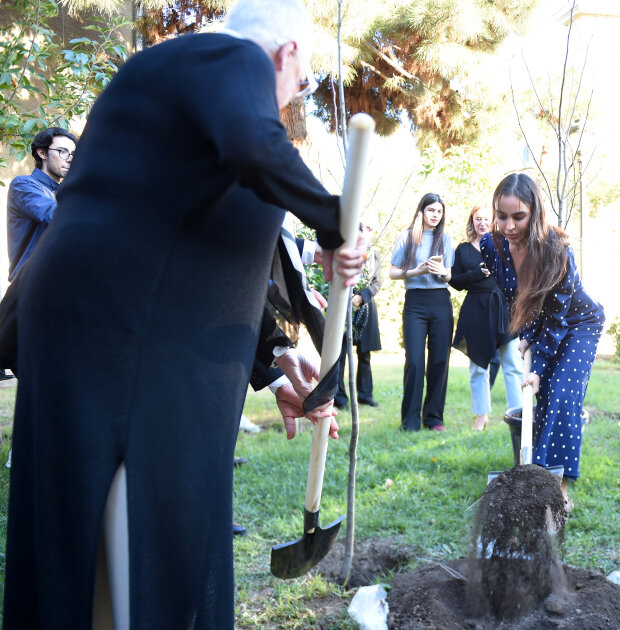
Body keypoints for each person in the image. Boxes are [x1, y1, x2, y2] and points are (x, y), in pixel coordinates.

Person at [2, 0, 366, 627]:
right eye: (299, 87)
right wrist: (334, 220)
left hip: (114, 327)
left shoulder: (188, 111)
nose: (287, 104)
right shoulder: (225, 59)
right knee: (140, 532)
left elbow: (191, 261)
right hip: (114, 336)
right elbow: (256, 150)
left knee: (104, 542)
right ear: (285, 57)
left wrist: (274, 363)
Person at [480, 173, 605, 511]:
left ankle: (559, 490)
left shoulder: (557, 250)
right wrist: (525, 336)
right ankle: (535, 478)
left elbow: (558, 313)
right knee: (543, 396)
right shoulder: (492, 246)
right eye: (501, 215)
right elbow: (515, 297)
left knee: (561, 392)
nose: (508, 225)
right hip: (543, 321)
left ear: (535, 213)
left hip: (579, 323)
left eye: (518, 216)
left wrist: (541, 361)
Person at [450, 204, 523, 430]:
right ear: (472, 222)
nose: (482, 222)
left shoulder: (505, 245)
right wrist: (477, 273)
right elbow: (455, 282)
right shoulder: (462, 249)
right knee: (478, 366)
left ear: (494, 220)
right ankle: (481, 415)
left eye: (486, 218)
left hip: (505, 308)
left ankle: (517, 414)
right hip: (476, 309)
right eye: (477, 219)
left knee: (512, 363)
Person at [389, 193, 454, 431]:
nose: (436, 215)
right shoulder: (406, 237)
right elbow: (393, 272)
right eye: (431, 210)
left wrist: (441, 270)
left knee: (439, 360)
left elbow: (450, 276)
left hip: (440, 301)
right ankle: (411, 421)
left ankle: (434, 418)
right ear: (421, 212)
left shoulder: (445, 238)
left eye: (439, 211)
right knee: (415, 361)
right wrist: (416, 271)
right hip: (415, 303)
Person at [6, 126, 78, 281]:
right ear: (42, 153)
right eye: (62, 151)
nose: (70, 158)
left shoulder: (65, 194)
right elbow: (53, 215)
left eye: (73, 153)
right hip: (28, 285)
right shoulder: (23, 184)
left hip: (57, 283)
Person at [335, 219, 383, 410]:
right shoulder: (341, 251)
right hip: (342, 307)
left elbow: (377, 283)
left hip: (367, 307)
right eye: (363, 226)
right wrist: (348, 298)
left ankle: (364, 395)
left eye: (369, 227)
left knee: (365, 355)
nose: (366, 230)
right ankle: (339, 398)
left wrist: (361, 297)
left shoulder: (374, 254)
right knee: (340, 355)